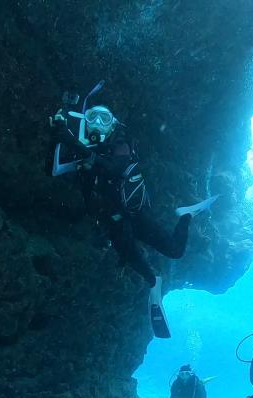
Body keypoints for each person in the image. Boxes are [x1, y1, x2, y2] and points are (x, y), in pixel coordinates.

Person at [48, 84, 216, 338]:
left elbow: (113, 170)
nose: (98, 124)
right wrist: (57, 136)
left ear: (113, 124)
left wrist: (70, 140)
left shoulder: (121, 144)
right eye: (93, 118)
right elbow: (53, 169)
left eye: (105, 119)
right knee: (129, 252)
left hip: (134, 212)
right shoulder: (84, 147)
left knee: (175, 251)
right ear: (85, 121)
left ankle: (185, 215)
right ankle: (154, 282)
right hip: (110, 218)